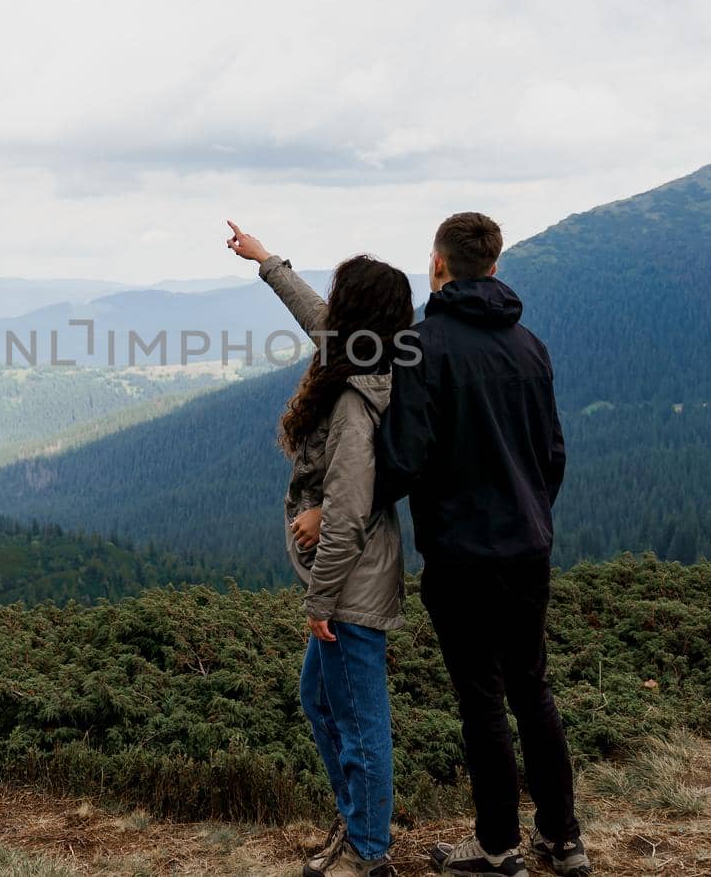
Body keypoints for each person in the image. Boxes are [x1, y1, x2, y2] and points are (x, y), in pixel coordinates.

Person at [375, 212, 589, 877]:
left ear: (437, 264)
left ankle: (499, 844)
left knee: (483, 699)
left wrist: (354, 500)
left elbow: (403, 460)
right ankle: (563, 838)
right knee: (533, 688)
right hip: (529, 548)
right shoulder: (530, 346)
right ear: (494, 268)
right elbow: (552, 455)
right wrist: (529, 517)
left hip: (463, 555)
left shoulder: (421, 347)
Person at [227, 221, 411, 877]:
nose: (329, 307)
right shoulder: (355, 352)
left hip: (350, 588)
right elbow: (314, 314)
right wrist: (266, 260)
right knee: (319, 699)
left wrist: (320, 601)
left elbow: (351, 511)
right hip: (349, 584)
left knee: (361, 723)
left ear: (356, 313)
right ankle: (358, 817)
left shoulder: (355, 400)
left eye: (341, 297)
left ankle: (368, 848)